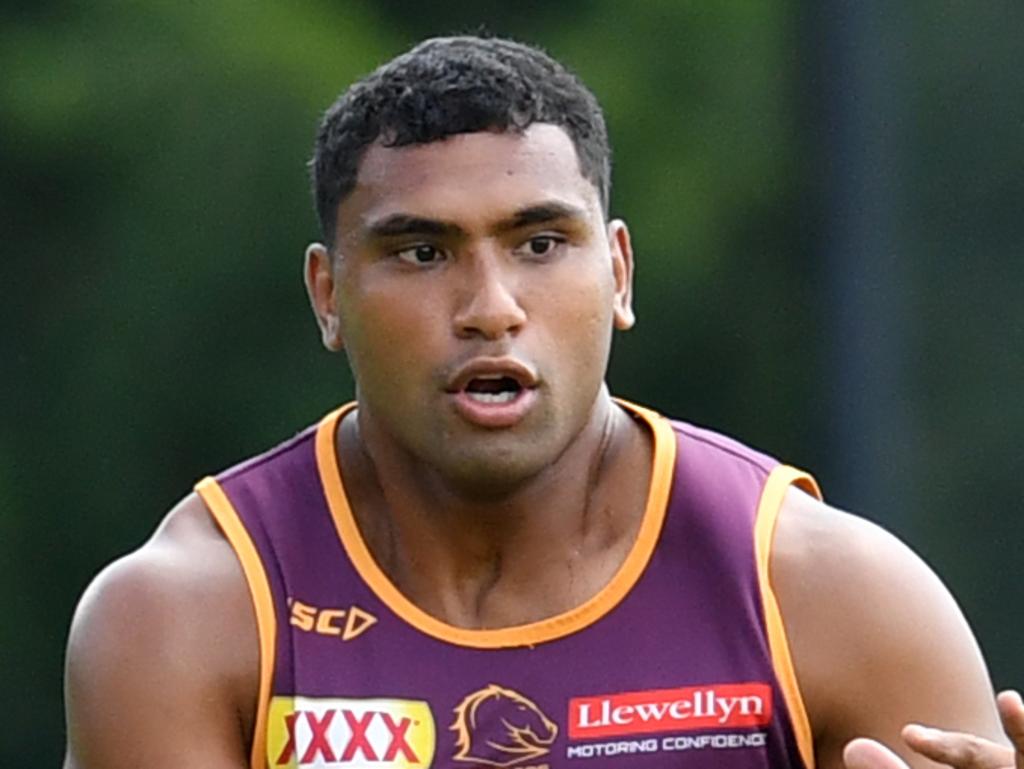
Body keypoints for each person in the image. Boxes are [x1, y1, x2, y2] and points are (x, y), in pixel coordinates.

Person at [63, 35, 1021, 769]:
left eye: (539, 243)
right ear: (328, 296)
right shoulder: (184, 618)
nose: (491, 308)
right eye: (421, 252)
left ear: (617, 272)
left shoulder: (836, 599)